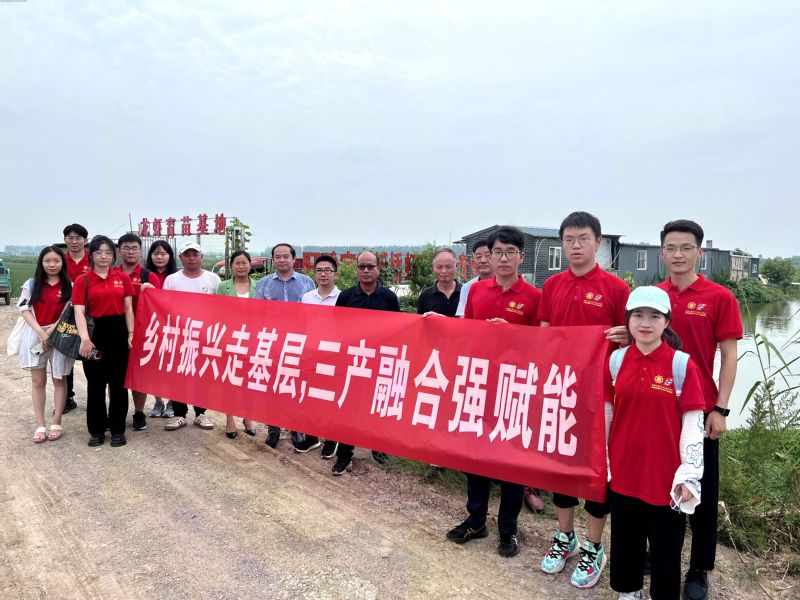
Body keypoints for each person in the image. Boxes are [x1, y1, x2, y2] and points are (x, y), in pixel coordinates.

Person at [538, 211, 631, 588]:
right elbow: (544, 335)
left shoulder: (616, 288)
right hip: (561, 389)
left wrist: (626, 337)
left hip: (602, 394)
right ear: (562, 243)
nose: (575, 246)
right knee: (561, 464)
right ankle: (565, 536)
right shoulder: (552, 285)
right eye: (569, 240)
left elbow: (634, 338)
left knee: (596, 468)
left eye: (583, 239)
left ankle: (594, 545)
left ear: (598, 243)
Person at [656, 220, 742, 600]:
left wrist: (720, 408)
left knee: (701, 491)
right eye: (671, 248)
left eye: (686, 248)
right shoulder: (653, 296)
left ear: (699, 252)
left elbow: (729, 355)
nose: (678, 255)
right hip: (658, 407)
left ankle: (698, 568)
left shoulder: (719, 297)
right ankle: (661, 554)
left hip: (700, 410)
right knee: (659, 485)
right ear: (662, 252)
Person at [606, 286, 706, 600]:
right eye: (638, 315)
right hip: (624, 472)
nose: (645, 323)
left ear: (667, 322)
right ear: (628, 320)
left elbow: (693, 423)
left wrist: (690, 475)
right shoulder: (616, 361)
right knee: (625, 540)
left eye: (654, 316)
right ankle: (629, 591)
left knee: (666, 548)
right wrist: (602, 462)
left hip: (665, 478)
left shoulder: (681, 365)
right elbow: (607, 414)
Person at [447, 226, 541, 559]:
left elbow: (542, 345)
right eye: (497, 252)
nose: (502, 258)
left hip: (514, 388)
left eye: (509, 252)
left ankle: (507, 528)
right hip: (480, 383)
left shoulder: (533, 296)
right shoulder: (476, 291)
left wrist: (512, 335)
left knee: (510, 462)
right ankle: (476, 520)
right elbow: (467, 334)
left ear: (520, 257)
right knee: (476, 455)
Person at [331, 250, 400, 475]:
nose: (366, 271)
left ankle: (378, 447)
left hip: (380, 362)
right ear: (357, 270)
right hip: (353, 362)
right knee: (349, 408)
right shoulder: (346, 297)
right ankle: (344, 453)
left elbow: (398, 330)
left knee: (377, 405)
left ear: (378, 269)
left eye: (371, 266)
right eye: (362, 267)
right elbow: (338, 329)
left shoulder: (389, 298)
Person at [73, 235, 135, 447]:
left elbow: (128, 308)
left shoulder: (122, 278)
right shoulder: (83, 280)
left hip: (118, 334)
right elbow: (79, 312)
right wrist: (85, 339)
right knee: (96, 385)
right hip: (94, 335)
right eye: (99, 252)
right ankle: (96, 431)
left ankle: (118, 430)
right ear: (91, 255)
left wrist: (131, 333)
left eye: (108, 252)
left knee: (118, 385)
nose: (103, 256)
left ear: (113, 255)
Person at [254, 243, 315, 450]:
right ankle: (274, 429)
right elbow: (257, 314)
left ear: (293, 259)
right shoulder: (264, 284)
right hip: (272, 342)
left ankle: (296, 427)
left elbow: (313, 314)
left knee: (295, 385)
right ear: (273, 260)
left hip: (299, 343)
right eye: (277, 257)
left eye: (285, 256)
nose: (281, 260)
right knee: (272, 387)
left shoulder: (306, 282)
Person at [162, 241, 221, 432]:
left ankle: (200, 413)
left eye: (195, 254)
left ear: (201, 256)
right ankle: (179, 414)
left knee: (202, 375)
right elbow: (164, 306)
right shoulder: (172, 280)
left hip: (205, 336)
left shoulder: (213, 279)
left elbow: (222, 308)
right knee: (178, 375)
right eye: (187, 255)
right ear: (180, 258)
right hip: (179, 336)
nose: (191, 258)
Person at [17, 246, 74, 443]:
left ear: (62, 263)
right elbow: (24, 308)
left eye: (56, 261)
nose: (52, 264)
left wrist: (50, 332)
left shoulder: (69, 286)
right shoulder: (32, 284)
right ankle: (40, 424)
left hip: (60, 336)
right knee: (37, 381)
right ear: (41, 263)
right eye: (47, 261)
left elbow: (68, 312)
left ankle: (56, 421)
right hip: (35, 334)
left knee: (59, 379)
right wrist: (41, 332)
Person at [416, 248, 462, 478]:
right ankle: (436, 458)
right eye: (439, 267)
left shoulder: (467, 292)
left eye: (449, 266)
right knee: (438, 409)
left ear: (457, 266)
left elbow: (471, 325)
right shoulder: (426, 296)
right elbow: (419, 328)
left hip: (462, 359)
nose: (444, 271)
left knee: (459, 407)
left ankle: (460, 456)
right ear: (433, 268)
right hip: (436, 361)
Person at [116, 233, 161, 432]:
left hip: (142, 332)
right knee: (116, 375)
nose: (131, 252)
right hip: (116, 330)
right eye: (126, 248)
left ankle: (139, 411)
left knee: (138, 375)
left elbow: (159, 305)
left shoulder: (148, 276)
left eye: (135, 248)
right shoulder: (112, 274)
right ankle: (117, 412)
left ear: (141, 252)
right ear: (119, 251)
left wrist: (150, 291)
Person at [300, 254, 341, 458]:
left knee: (330, 397)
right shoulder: (307, 297)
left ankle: (331, 437)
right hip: (311, 353)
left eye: (327, 271)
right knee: (310, 396)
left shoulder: (343, 298)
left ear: (335, 274)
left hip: (333, 355)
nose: (323, 274)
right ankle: (312, 436)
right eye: (319, 271)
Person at [215, 249, 257, 439]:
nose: (241, 266)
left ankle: (248, 416)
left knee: (249, 380)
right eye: (237, 263)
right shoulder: (223, 287)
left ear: (250, 265)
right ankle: (230, 418)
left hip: (253, 340)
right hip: (229, 338)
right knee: (229, 380)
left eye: (244, 262)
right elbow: (217, 313)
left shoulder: (259, 286)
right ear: (231, 266)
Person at [144, 240, 178, 418]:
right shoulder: (145, 275)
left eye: (163, 254)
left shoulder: (176, 277)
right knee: (154, 366)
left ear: (170, 256)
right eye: (156, 253)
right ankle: (158, 401)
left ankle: (172, 402)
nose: (159, 257)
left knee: (172, 366)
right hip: (151, 327)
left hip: (173, 327)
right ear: (150, 256)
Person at [62, 222, 90, 413]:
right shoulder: (59, 261)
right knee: (65, 353)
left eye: (78, 238)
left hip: (89, 314)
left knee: (90, 353)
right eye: (70, 238)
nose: (74, 241)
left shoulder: (93, 260)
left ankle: (94, 396)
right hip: (64, 314)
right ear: (64, 240)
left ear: (85, 240)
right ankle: (66, 397)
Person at [455, 239, 493, 317]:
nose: (483, 260)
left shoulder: (506, 285)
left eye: (488, 255)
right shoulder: (467, 287)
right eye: (478, 256)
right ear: (473, 259)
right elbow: (462, 316)